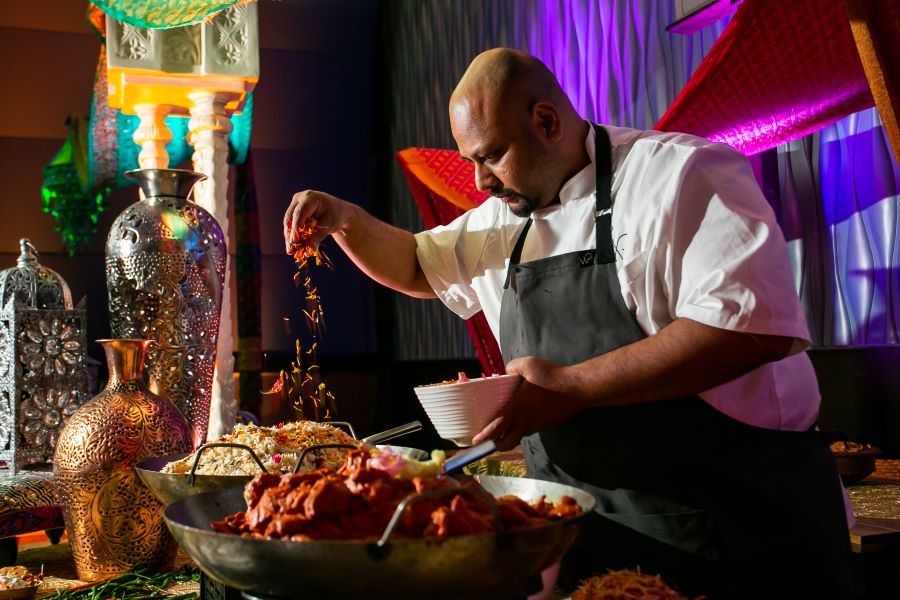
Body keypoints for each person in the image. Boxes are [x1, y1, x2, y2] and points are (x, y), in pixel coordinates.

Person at [284, 48, 855, 598]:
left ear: (547, 120)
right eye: (470, 162)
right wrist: (346, 220)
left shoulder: (682, 174)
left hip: (734, 529)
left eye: (490, 156)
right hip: (584, 534)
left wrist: (573, 386)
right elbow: (414, 263)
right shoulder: (506, 218)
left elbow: (752, 326)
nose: (480, 182)